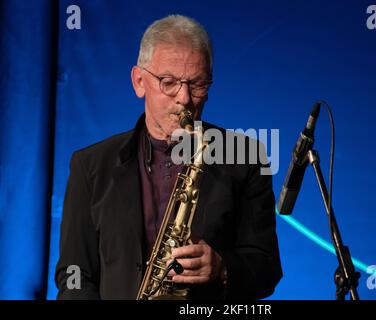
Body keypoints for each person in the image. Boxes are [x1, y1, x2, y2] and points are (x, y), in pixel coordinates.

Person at [55, 14, 282, 300]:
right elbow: (74, 274)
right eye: (169, 82)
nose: (184, 98)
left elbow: (267, 269)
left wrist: (222, 268)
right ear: (139, 82)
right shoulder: (89, 165)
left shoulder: (246, 157)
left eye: (197, 84)